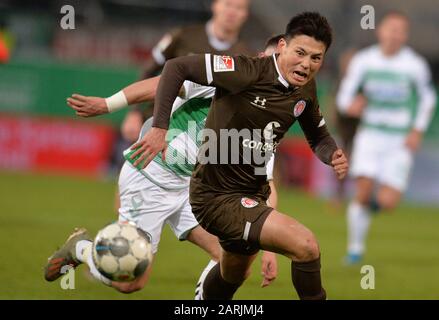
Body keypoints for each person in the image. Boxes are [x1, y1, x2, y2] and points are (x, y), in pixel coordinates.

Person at [130, 12, 348, 300]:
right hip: (216, 196)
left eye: (316, 58)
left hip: (251, 194)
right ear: (282, 45)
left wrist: (332, 154)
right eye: (300, 53)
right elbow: (176, 67)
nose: (306, 64)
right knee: (306, 246)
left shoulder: (305, 87)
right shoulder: (246, 70)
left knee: (231, 275)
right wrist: (159, 128)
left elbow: (317, 135)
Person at [44, 37, 282, 296]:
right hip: (151, 176)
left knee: (232, 261)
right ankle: (81, 249)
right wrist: (107, 104)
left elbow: (266, 185)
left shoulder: (265, 120)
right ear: (260, 58)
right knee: (130, 283)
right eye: (272, 62)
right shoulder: (226, 79)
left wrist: (268, 247)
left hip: (193, 191)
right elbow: (165, 82)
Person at [336, 11, 437, 264]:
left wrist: (417, 130)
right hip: (370, 134)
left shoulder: (414, 64)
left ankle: (362, 210)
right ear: (380, 31)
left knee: (388, 202)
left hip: (399, 140)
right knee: (363, 190)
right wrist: (351, 105)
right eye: (390, 28)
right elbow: (344, 95)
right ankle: (355, 249)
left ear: (405, 35)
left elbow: (428, 98)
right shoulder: (364, 60)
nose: (394, 34)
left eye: (400, 30)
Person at [121, 0, 253, 146]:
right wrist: (134, 112)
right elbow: (149, 70)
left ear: (245, 14)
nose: (232, 12)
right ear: (215, 5)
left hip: (200, 140)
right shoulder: (183, 36)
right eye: (228, 4)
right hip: (158, 125)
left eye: (239, 8)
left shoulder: (247, 57)